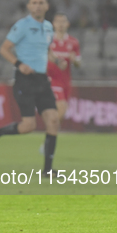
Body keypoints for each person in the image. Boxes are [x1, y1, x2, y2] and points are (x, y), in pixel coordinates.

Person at [0, 0, 64, 177]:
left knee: (53, 120)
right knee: (29, 126)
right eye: (34, 2)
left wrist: (56, 60)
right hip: (24, 80)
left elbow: (47, 48)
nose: (37, 6)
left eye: (41, 2)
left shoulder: (49, 27)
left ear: (47, 6)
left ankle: (48, 170)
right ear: (28, 6)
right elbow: (4, 48)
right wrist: (19, 64)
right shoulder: (22, 26)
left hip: (42, 80)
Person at [43, 13, 81, 142]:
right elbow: (44, 56)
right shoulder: (48, 40)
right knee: (62, 107)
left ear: (67, 24)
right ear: (53, 24)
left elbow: (78, 64)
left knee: (60, 115)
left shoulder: (73, 42)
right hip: (52, 79)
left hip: (66, 81)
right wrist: (56, 61)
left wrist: (74, 60)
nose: (60, 24)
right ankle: (49, 140)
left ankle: (49, 138)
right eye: (57, 21)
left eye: (63, 21)